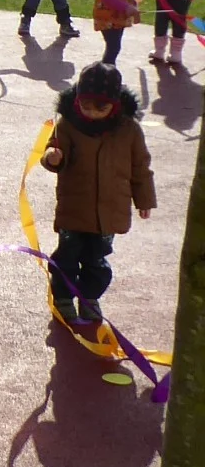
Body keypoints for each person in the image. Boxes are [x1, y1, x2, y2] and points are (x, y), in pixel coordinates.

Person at [42, 62, 154, 326]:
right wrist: (52, 157)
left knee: (97, 260)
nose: (91, 113)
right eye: (86, 106)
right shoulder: (68, 125)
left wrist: (145, 199)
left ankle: (89, 297)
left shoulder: (129, 130)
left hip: (109, 211)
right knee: (67, 256)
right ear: (77, 100)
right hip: (74, 208)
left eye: (100, 108)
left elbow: (140, 167)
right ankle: (63, 298)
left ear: (114, 105)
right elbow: (53, 153)